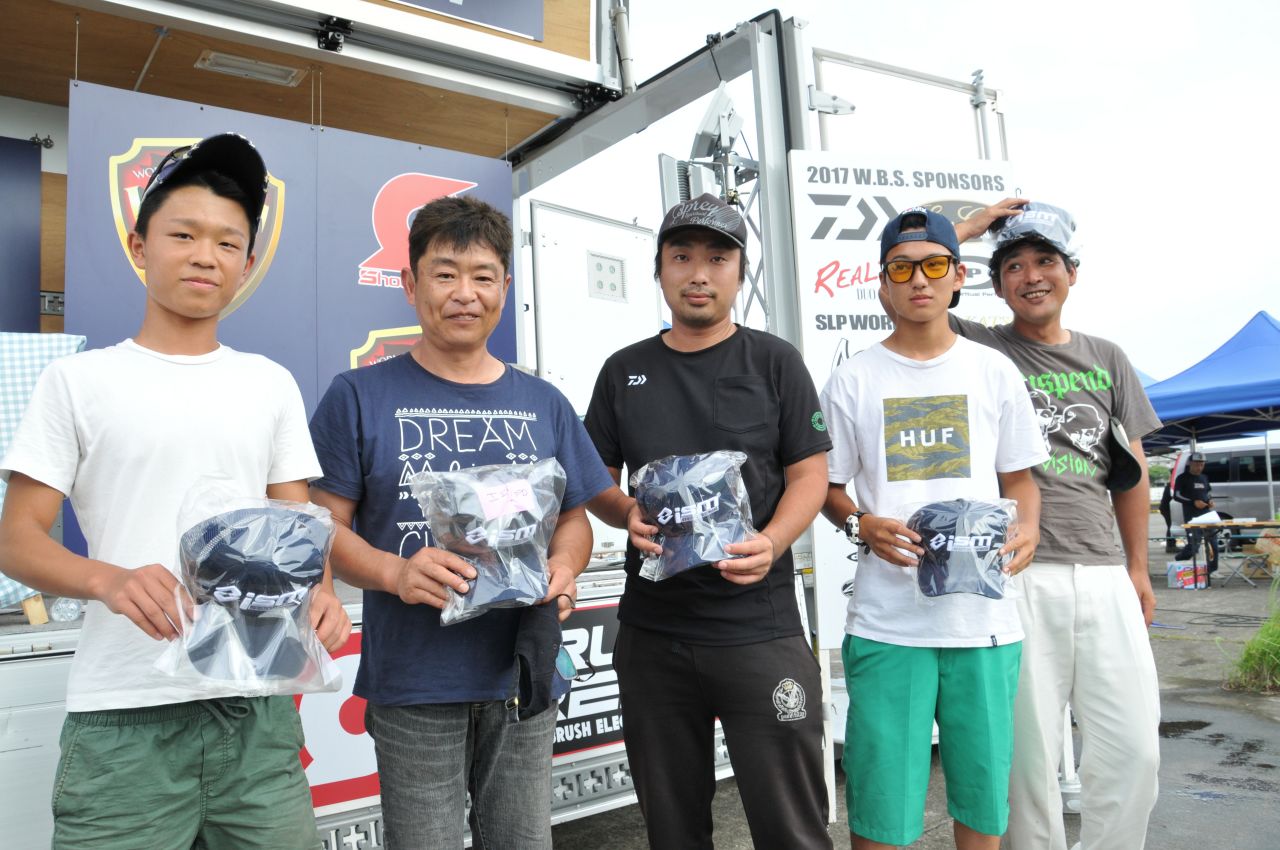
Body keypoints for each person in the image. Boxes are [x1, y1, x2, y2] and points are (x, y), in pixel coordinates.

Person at [0, 133, 350, 849]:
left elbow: (297, 529)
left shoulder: (269, 383)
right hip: (123, 715)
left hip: (257, 712)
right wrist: (107, 579)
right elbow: (17, 540)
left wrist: (322, 594)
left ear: (247, 264)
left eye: (228, 242)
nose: (205, 255)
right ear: (139, 246)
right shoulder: (78, 381)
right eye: (183, 234)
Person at [307, 194, 611, 849]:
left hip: (523, 673)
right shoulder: (357, 396)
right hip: (414, 681)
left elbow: (576, 519)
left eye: (482, 276)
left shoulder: (544, 402)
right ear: (410, 283)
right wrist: (395, 571)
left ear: (505, 286)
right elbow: (321, 527)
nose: (465, 293)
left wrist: (564, 566)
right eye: (444, 274)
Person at [584, 193, 833, 849]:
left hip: (759, 626)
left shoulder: (775, 361)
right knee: (672, 830)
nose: (699, 274)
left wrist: (772, 541)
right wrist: (625, 511)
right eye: (682, 257)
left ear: (740, 271)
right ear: (659, 270)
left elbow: (810, 474)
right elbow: (595, 479)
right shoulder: (623, 371)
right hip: (654, 635)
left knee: (792, 828)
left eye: (718, 258)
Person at [821, 207, 1045, 850]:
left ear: (957, 277)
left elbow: (1021, 481)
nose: (918, 279)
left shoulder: (993, 370)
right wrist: (861, 522)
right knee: (881, 805)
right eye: (901, 268)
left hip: (984, 624)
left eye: (934, 265)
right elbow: (828, 488)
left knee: (983, 798)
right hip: (888, 623)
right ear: (882, 284)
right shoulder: (853, 379)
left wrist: (1028, 528)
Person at [951, 200, 1162, 850]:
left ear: (1072, 273)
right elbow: (908, 284)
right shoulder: (983, 348)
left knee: (1135, 751)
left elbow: (1132, 472)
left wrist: (1138, 568)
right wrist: (969, 227)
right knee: (1029, 761)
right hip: (1017, 573)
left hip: (1104, 573)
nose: (1031, 276)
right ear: (996, 284)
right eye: (1013, 266)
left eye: (1045, 260)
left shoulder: (1108, 357)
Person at [1173, 451, 1220, 572]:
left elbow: (1207, 493)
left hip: (1207, 516)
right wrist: (1193, 502)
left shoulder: (1204, 477)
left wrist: (1210, 501)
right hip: (1192, 517)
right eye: (1196, 464)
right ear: (1190, 463)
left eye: (1202, 464)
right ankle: (1178, 561)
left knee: (1214, 545)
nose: (1199, 467)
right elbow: (1176, 496)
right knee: (1194, 546)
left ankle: (1211, 570)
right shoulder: (1182, 478)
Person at [1160, 481, 1177, 552]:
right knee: (1171, 525)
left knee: (1171, 525)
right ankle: (1170, 546)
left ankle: (1171, 545)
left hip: (1168, 507)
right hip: (1167, 508)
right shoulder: (1172, 485)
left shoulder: (1172, 484)